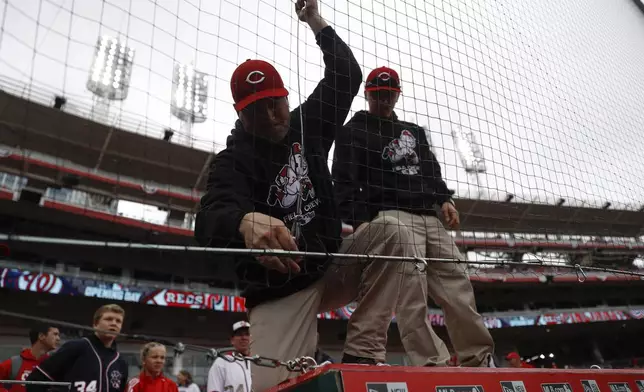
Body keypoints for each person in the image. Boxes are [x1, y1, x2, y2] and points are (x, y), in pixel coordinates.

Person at [195, 1, 425, 389]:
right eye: (257, 111)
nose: (271, 116)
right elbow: (207, 218)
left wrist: (314, 21)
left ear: (286, 97)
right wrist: (243, 219)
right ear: (240, 114)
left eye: (275, 103)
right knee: (274, 388)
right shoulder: (231, 161)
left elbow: (346, 75)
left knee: (395, 234)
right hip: (279, 289)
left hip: (332, 263)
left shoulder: (308, 122)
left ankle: (363, 351)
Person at [332, 66, 496, 367]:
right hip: (391, 217)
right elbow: (342, 180)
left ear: (397, 94)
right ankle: (431, 361)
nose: (383, 100)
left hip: (428, 216)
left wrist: (444, 198)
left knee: (458, 287)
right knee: (411, 294)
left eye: (389, 94)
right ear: (368, 93)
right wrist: (360, 220)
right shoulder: (352, 130)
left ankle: (479, 357)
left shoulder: (413, 131)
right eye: (378, 94)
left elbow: (431, 170)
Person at [26, 304, 129, 392]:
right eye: (108, 319)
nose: (114, 323)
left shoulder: (121, 362)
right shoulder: (76, 347)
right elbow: (34, 381)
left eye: (118, 321)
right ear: (95, 324)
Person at [0, 325, 60, 392]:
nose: (58, 338)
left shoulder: (54, 365)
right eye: (55, 334)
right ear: (41, 336)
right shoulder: (15, 363)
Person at [206, 322, 252, 392]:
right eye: (239, 334)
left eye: (247, 334)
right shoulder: (221, 362)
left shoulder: (257, 362)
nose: (244, 337)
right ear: (232, 340)